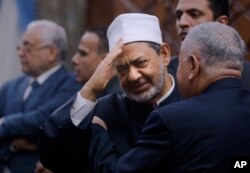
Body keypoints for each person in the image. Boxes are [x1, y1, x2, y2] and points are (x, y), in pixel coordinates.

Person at [90, 22, 250, 173]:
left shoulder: (173, 119)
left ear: (193, 65)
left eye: (179, 63)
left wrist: (98, 132)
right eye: (123, 68)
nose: (133, 76)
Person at [39, 13, 181, 173]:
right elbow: (52, 156)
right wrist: (90, 89)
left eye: (140, 63)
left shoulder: (193, 101)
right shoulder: (107, 112)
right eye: (122, 69)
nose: (133, 76)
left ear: (164, 54)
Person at [0, 20, 81, 173]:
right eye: (20, 47)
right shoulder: (10, 86)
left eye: (28, 47)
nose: (20, 53)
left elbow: (44, 120)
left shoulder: (71, 85)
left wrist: (3, 123)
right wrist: (13, 144)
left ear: (51, 52)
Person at [168, 0, 250, 89]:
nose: (182, 23)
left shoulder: (246, 76)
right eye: (178, 16)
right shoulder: (165, 76)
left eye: (194, 14)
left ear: (220, 23)